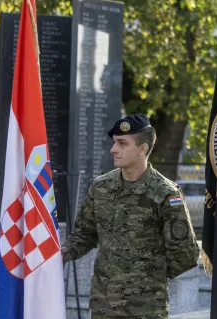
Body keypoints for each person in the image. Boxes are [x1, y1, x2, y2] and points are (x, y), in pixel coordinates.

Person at [61, 114, 200, 319]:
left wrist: (147, 276)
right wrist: (59, 254)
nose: (113, 149)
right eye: (114, 142)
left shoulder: (165, 193)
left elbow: (185, 255)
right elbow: (85, 234)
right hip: (104, 306)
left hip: (145, 309)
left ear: (142, 149)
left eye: (122, 143)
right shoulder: (100, 187)